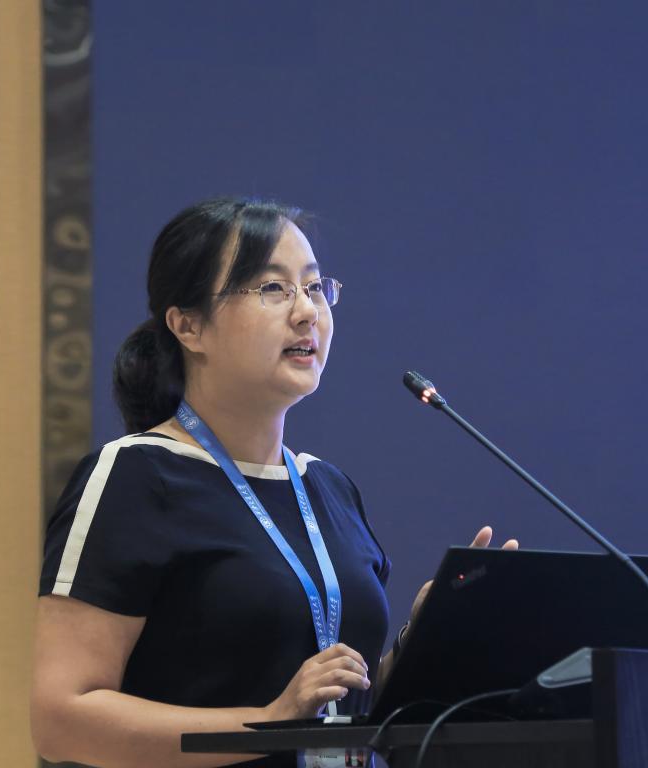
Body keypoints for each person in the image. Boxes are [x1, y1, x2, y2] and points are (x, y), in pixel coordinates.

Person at [31, 198, 517, 768]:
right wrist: (270, 723)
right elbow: (60, 720)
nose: (307, 312)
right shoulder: (135, 475)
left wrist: (426, 638)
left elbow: (340, 715)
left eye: (315, 288)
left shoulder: (329, 488)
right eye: (272, 288)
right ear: (188, 325)